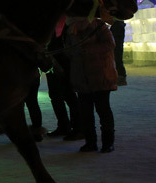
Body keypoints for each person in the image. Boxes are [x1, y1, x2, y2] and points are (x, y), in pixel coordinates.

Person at [65, 17, 118, 153]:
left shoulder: (98, 25)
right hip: (81, 76)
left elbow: (110, 44)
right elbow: (68, 50)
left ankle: (108, 143)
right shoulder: (71, 29)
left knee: (103, 109)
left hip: (100, 74)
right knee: (85, 112)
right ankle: (90, 143)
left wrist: (87, 49)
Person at [46, 32, 79, 138]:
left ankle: (77, 128)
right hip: (52, 60)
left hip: (63, 62)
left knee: (68, 95)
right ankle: (65, 126)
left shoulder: (65, 27)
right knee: (56, 96)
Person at [110, 19, 127, 86]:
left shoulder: (117, 26)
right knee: (117, 58)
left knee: (117, 58)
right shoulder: (118, 25)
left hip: (116, 46)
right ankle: (120, 77)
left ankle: (120, 78)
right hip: (117, 46)